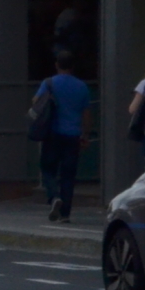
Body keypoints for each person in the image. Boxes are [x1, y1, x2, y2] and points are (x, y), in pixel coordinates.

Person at [31, 52, 92, 223]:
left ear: (57, 65)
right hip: (73, 136)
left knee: (47, 168)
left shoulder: (49, 83)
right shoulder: (82, 87)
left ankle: (54, 196)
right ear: (73, 67)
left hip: (52, 133)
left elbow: (35, 102)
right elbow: (86, 114)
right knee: (68, 175)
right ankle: (65, 214)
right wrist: (85, 134)